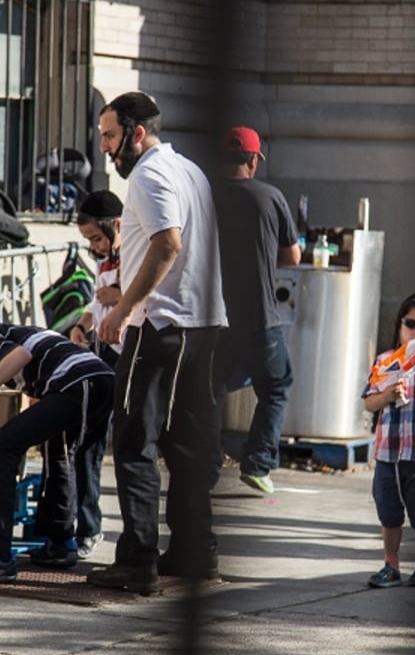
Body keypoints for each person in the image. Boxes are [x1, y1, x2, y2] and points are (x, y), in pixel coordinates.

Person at [87, 91, 227, 594]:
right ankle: (194, 553)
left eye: (109, 135)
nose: (104, 147)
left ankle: (139, 560)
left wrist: (123, 309)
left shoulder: (148, 174)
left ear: (136, 132)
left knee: (133, 440)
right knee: (186, 446)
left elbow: (169, 243)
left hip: (162, 326)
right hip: (202, 324)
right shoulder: (190, 170)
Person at [0, 290, 114, 583]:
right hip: (99, 380)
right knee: (58, 450)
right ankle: (59, 542)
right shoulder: (12, 331)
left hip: (76, 383)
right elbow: (31, 358)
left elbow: (20, 356)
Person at [211, 126, 301, 495]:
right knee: (276, 385)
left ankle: (205, 463)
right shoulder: (270, 196)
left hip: (213, 318)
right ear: (254, 159)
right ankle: (258, 462)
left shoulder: (204, 195)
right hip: (260, 319)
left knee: (210, 390)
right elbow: (292, 256)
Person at [361, 293, 415, 588]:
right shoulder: (385, 361)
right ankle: (391, 564)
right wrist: (386, 396)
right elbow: (369, 403)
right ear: (400, 324)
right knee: (389, 511)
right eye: (412, 324)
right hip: (387, 452)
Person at [70, 189, 124, 370]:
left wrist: (120, 296)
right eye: (89, 240)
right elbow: (97, 303)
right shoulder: (104, 262)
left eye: (97, 238)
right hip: (105, 346)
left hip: (126, 349)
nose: (94, 247)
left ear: (118, 225)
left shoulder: (134, 258)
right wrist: (81, 327)